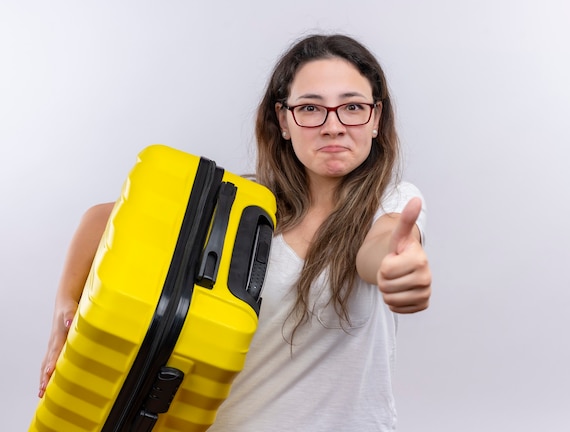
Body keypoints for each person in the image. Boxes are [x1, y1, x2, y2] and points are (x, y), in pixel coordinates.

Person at [38, 33, 432, 431]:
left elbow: (381, 246)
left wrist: (397, 266)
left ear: (377, 118)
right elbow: (103, 218)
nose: (333, 126)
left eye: (352, 107)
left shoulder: (392, 203)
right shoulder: (241, 210)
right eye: (311, 108)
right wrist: (65, 307)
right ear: (283, 121)